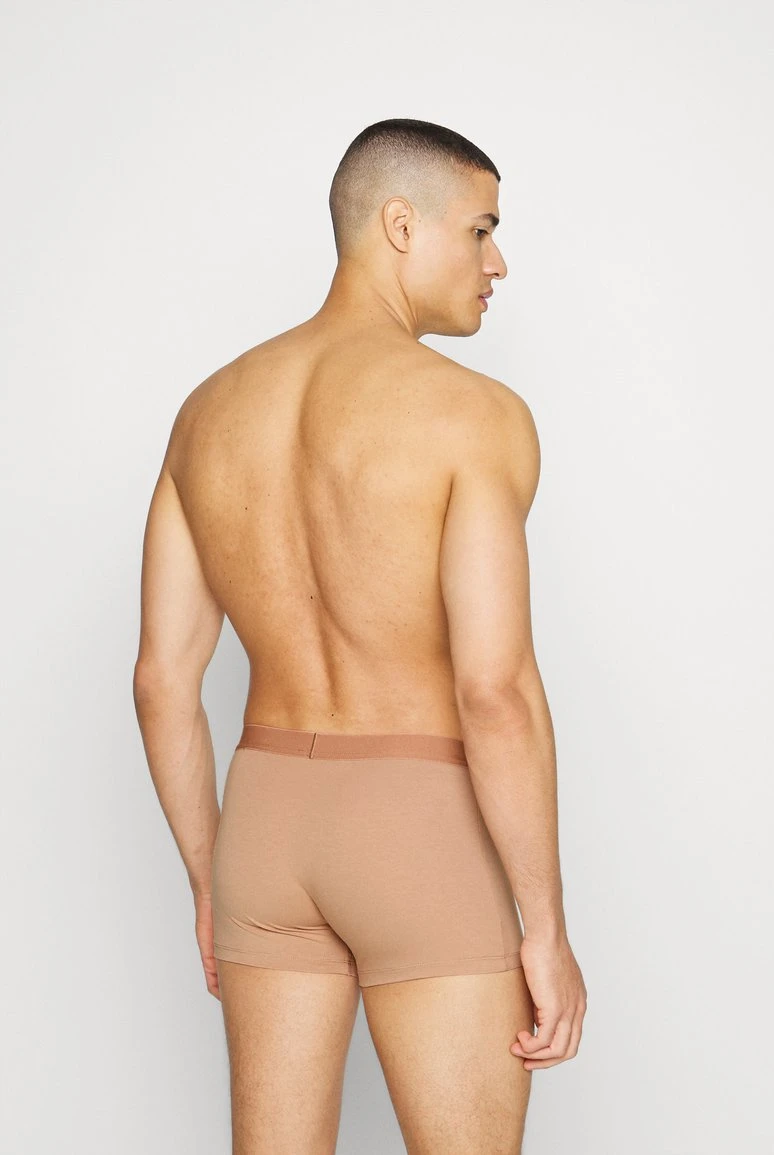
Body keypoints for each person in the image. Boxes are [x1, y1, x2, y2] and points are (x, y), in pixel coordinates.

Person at [133, 117, 587, 1154]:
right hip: (417, 820)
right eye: (481, 230)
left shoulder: (207, 413)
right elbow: (494, 690)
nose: (497, 263)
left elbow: (162, 679)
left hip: (264, 828)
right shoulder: (473, 415)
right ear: (400, 225)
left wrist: (210, 880)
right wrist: (545, 927)